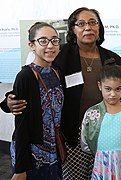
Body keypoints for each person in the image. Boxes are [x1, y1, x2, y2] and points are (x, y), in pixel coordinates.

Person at [1, 7, 121, 179]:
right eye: (81, 23)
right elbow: (36, 83)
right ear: (72, 29)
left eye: (93, 22)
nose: (88, 28)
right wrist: (8, 102)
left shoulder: (112, 59)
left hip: (105, 132)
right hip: (72, 135)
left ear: (99, 28)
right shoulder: (60, 55)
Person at [10, 22, 63, 180]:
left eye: (54, 40)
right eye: (43, 41)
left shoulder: (56, 72)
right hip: (31, 154)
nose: (50, 46)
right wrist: (20, 168)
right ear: (31, 45)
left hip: (54, 150)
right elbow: (21, 124)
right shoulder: (26, 76)